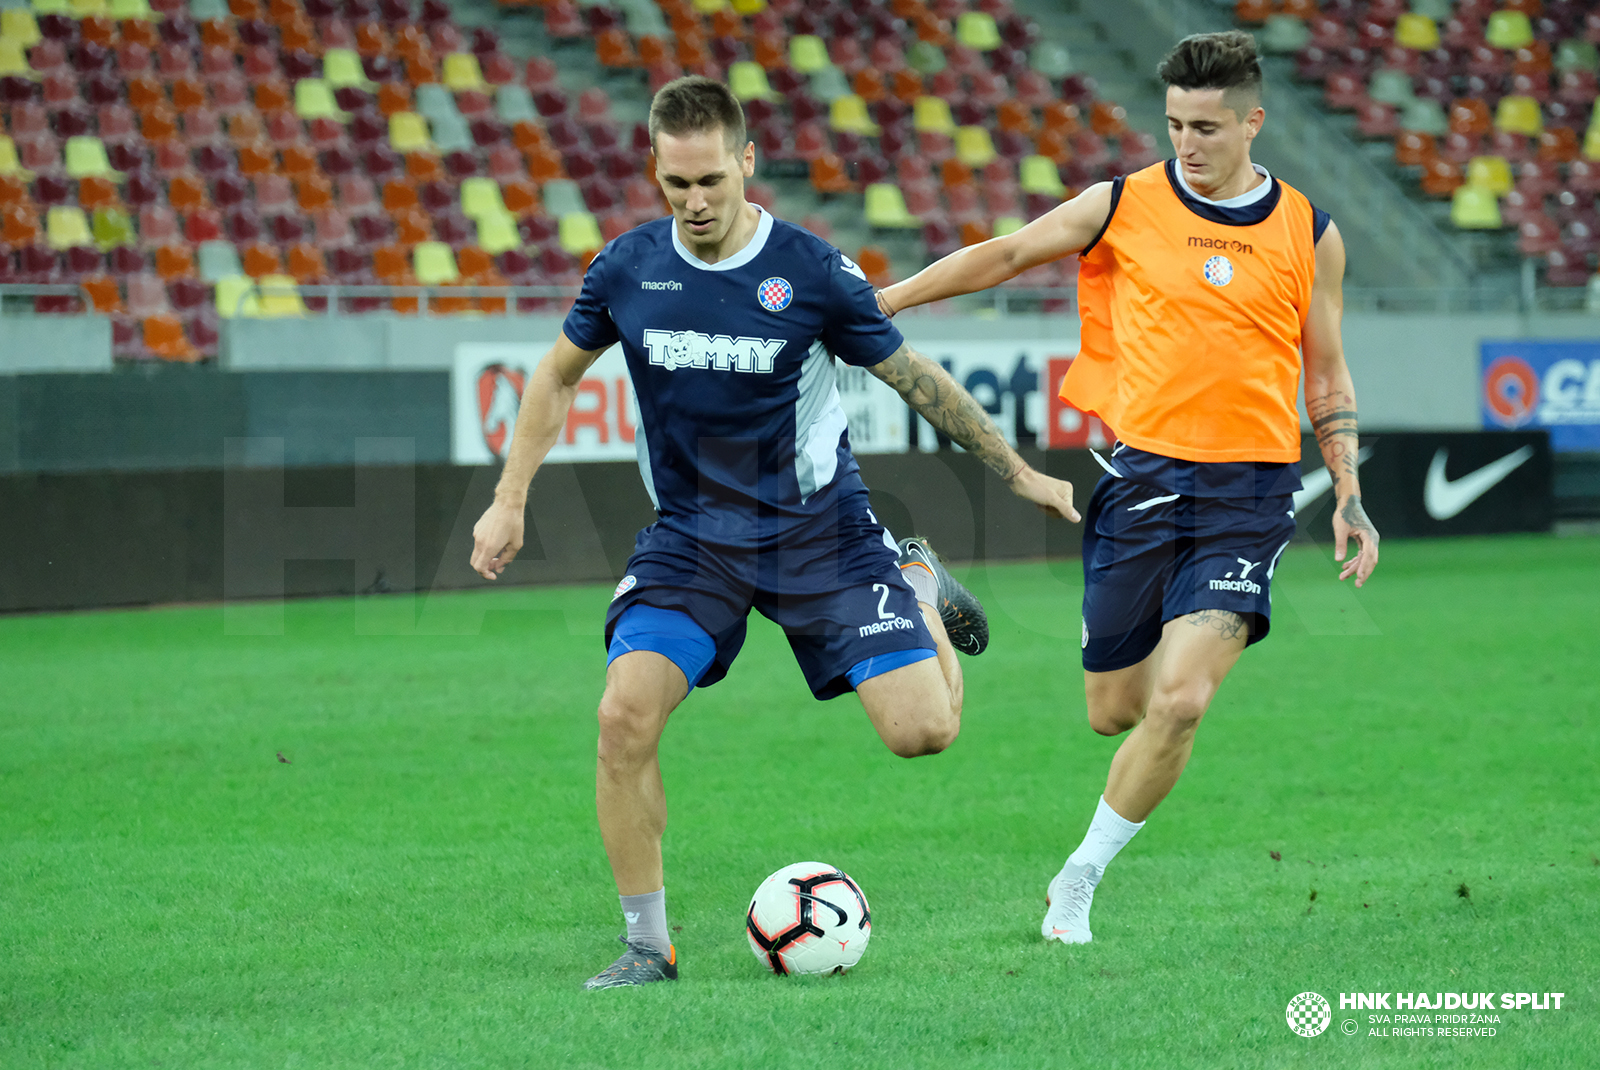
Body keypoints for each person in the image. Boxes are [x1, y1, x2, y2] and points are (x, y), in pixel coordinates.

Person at [468, 76, 1080, 988]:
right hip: (692, 540)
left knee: (924, 734)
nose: (696, 201)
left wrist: (1021, 472)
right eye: (677, 184)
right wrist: (510, 496)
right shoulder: (627, 270)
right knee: (622, 715)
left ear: (747, 162)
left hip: (820, 536)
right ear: (655, 171)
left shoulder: (815, 273)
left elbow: (918, 381)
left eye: (712, 179)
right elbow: (556, 378)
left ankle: (913, 583)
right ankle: (647, 945)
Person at [876, 31, 1380, 944]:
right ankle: (924, 590)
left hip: (1250, 497)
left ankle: (1078, 880)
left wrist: (1345, 489)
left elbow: (1329, 376)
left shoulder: (1311, 233)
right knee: (1115, 713)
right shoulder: (1125, 203)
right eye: (1177, 125)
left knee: (1183, 700)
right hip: (1139, 485)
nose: (1187, 144)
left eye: (1209, 128)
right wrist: (892, 300)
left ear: (1253, 122)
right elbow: (1007, 253)